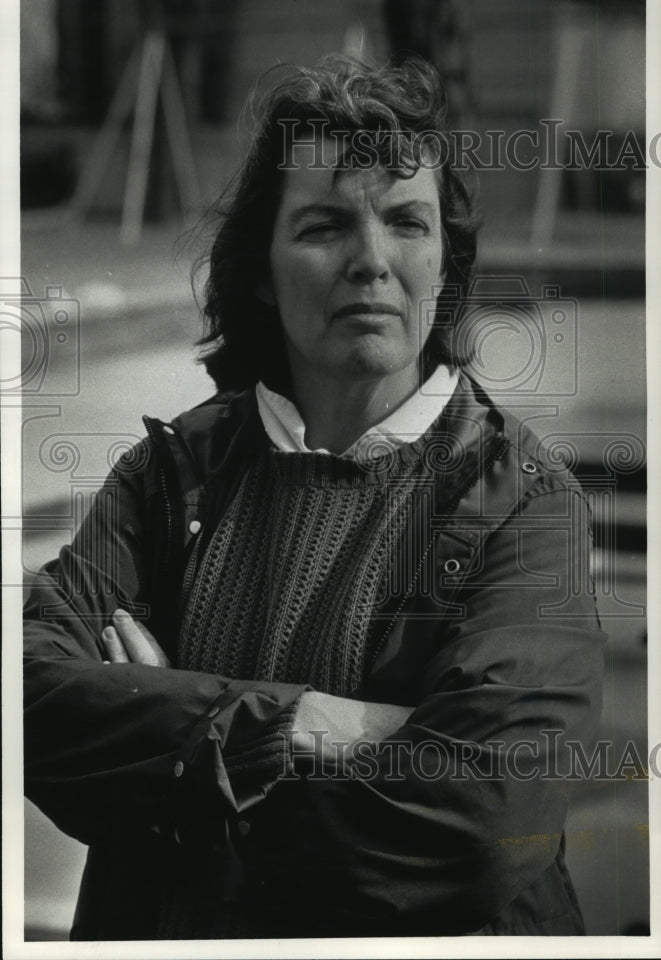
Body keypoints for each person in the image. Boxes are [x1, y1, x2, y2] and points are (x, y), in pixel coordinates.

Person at [23, 56, 605, 939]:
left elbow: (482, 822)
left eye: (406, 222)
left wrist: (176, 738)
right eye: (325, 225)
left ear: (445, 266)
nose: (371, 261)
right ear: (259, 268)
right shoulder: (170, 472)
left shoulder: (523, 503)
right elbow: (30, 697)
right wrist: (309, 722)